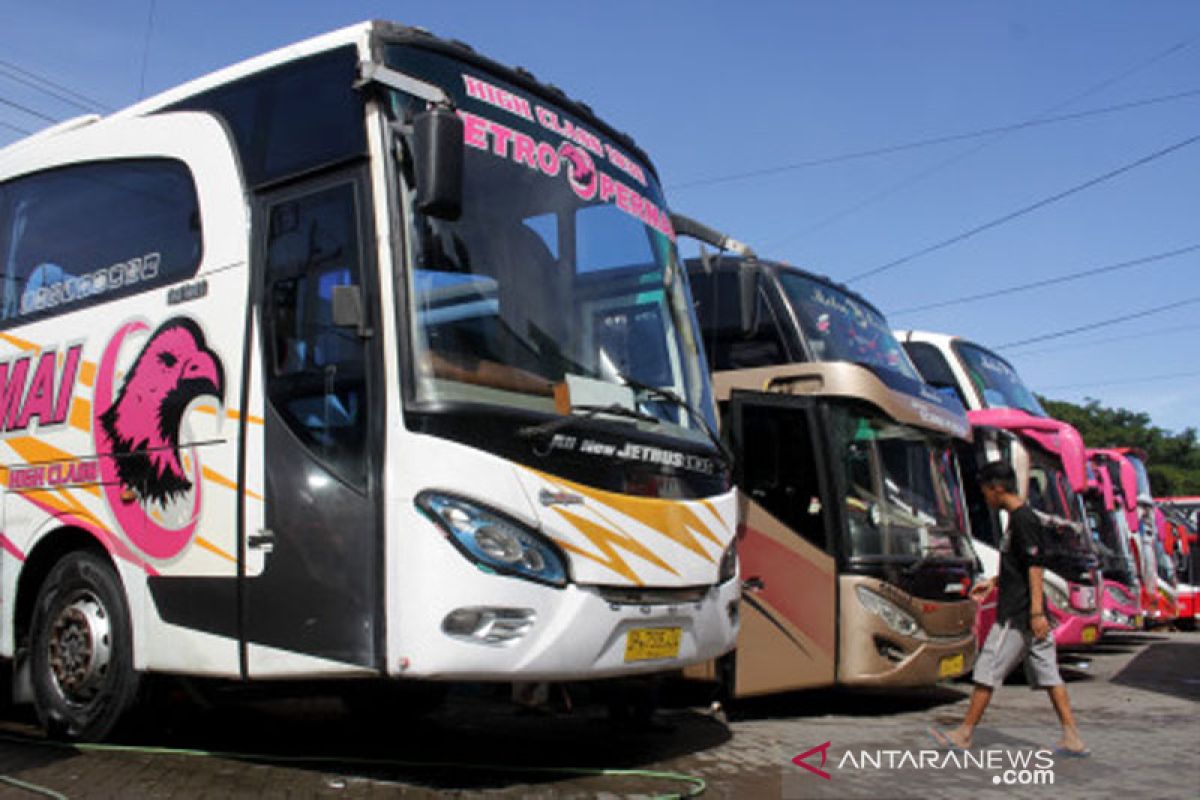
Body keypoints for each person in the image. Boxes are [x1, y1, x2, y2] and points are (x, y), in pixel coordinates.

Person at [931, 460, 1088, 756]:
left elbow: (1035, 567)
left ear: (997, 488)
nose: (986, 498)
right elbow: (1019, 565)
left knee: (987, 669)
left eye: (986, 491)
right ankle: (1072, 738)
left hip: (1018, 615)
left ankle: (964, 734)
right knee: (1050, 675)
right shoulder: (1019, 519)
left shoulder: (1023, 519)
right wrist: (993, 582)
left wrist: (1036, 613)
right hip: (1029, 613)